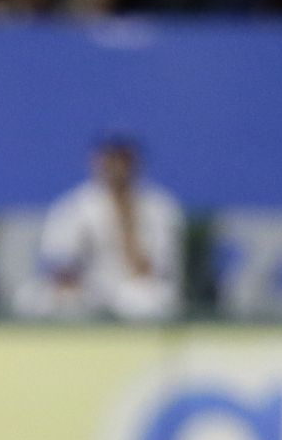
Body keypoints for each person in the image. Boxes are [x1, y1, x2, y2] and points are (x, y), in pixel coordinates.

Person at [36, 133, 184, 321]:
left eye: (122, 159)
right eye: (109, 159)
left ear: (134, 163)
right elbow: (58, 262)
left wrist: (126, 222)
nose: (115, 167)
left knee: (143, 299)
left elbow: (154, 269)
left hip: (136, 290)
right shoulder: (74, 205)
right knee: (44, 298)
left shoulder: (159, 207)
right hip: (89, 290)